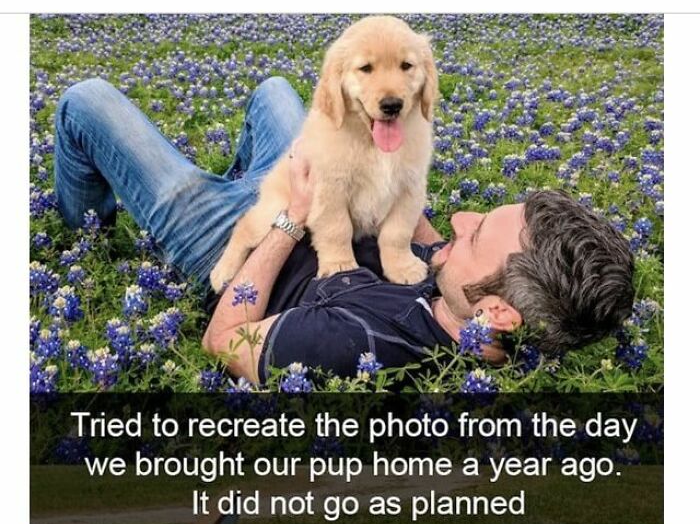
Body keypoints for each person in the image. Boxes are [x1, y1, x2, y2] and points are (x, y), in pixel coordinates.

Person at [54, 76, 635, 385]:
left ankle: (86, 236)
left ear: (502, 311)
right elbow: (423, 231)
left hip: (243, 241)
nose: (460, 219)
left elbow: (224, 340)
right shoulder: (470, 304)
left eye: (477, 234)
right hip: (317, 194)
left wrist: (288, 220)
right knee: (277, 93)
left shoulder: (362, 346)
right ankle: (245, 175)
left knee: (85, 102)